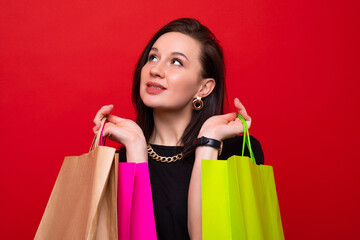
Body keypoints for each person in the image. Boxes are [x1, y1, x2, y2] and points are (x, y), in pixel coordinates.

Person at [93, 18, 264, 240]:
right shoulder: (119, 161)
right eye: (153, 57)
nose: (155, 69)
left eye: (176, 62)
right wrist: (136, 150)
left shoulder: (237, 153)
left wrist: (208, 143)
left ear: (204, 88)